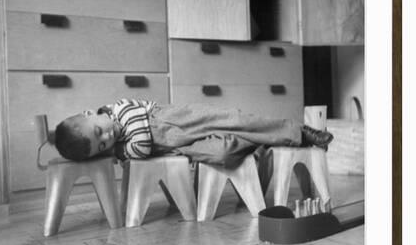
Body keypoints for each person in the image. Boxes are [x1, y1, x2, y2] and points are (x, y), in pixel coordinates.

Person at [54, 98, 333, 169]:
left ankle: (299, 132)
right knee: (223, 153)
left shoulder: (119, 109)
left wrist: (121, 152)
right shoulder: (118, 137)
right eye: (101, 145)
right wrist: (125, 151)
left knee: (234, 120)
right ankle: (258, 144)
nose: (107, 137)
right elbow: (139, 148)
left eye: (99, 131)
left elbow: (140, 144)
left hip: (175, 120)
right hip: (176, 148)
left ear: (91, 113)